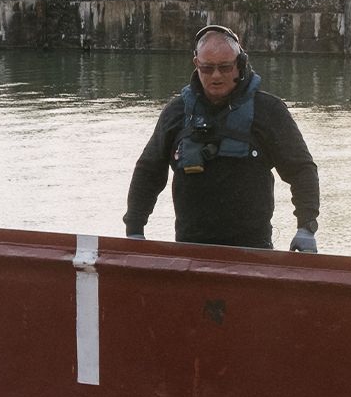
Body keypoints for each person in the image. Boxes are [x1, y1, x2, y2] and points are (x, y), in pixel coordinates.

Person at [124, 24, 321, 251]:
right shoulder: (176, 112)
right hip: (189, 250)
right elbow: (148, 172)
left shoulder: (269, 111)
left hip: (253, 251)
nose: (216, 76)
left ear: (240, 64)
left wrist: (306, 227)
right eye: (207, 68)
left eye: (225, 67)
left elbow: (301, 170)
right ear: (196, 64)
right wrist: (135, 230)